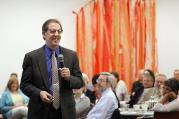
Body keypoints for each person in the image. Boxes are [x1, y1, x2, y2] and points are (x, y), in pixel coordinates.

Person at [20, 18, 83, 119]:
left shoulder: (71, 55)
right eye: (53, 31)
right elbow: (24, 85)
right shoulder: (32, 57)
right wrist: (39, 93)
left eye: (59, 31)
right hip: (40, 111)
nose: (57, 34)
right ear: (44, 34)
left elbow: (80, 82)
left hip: (65, 112)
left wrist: (69, 78)